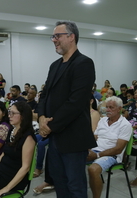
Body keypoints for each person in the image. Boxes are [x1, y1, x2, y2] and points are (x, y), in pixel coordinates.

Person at [37, 21, 96, 198]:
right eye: (53, 36)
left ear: (71, 37)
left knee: (75, 185)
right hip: (55, 138)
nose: (54, 40)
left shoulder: (83, 63)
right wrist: (41, 117)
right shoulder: (55, 65)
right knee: (59, 181)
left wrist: (49, 126)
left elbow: (76, 102)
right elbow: (44, 95)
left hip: (73, 137)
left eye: (58, 36)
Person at [87, 96, 132, 198]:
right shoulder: (103, 121)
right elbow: (94, 138)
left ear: (120, 109)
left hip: (113, 155)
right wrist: (87, 148)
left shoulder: (125, 125)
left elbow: (118, 149)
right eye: (107, 107)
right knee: (73, 160)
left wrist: (97, 155)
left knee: (93, 170)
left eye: (111, 107)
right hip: (96, 150)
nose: (107, 110)